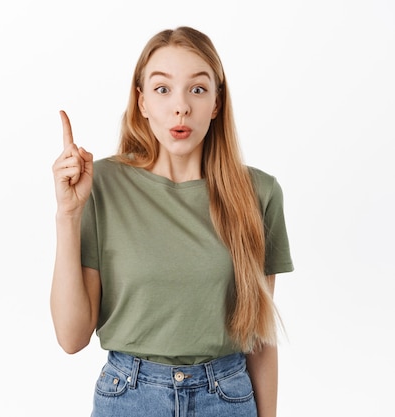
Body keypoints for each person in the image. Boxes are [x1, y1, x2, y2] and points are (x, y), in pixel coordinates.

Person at [50, 26, 293, 417]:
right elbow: (71, 337)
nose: (181, 107)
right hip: (129, 397)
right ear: (141, 101)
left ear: (217, 102)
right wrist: (67, 214)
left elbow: (260, 341)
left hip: (226, 398)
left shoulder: (258, 193)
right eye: (163, 89)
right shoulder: (102, 185)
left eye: (197, 89)